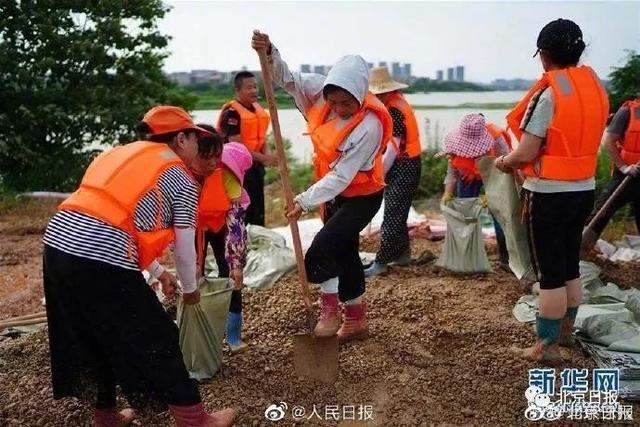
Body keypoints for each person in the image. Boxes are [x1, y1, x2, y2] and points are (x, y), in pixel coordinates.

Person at [42, 106, 236, 426]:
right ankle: (195, 419)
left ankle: (105, 415)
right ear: (182, 138)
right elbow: (186, 250)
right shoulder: (180, 176)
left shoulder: (118, 154)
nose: (196, 148)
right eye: (193, 139)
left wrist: (160, 273)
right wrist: (190, 291)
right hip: (100, 256)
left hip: (57, 244)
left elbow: (117, 218)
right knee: (159, 335)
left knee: (89, 334)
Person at [252, 30, 391, 341]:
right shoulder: (320, 92)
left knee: (321, 252)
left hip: (362, 195)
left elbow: (342, 176)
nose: (339, 108)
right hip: (335, 192)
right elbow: (287, 79)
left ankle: (329, 306)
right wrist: (270, 53)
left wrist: (303, 200)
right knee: (345, 250)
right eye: (334, 102)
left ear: (360, 95)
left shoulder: (369, 125)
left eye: (347, 103)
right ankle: (355, 317)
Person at [496, 19, 609, 362]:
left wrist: (505, 162)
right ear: (578, 51)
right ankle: (566, 334)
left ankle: (546, 347)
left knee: (549, 274)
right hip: (584, 190)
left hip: (547, 194)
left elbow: (528, 151)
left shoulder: (550, 93)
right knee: (569, 264)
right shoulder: (596, 89)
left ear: (544, 56)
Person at [195, 124, 252, 353]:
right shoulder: (183, 174)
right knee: (193, 274)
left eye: (216, 157)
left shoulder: (227, 172)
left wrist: (235, 263)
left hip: (223, 222)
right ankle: (201, 332)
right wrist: (194, 265)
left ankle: (233, 335)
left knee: (231, 275)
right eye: (205, 157)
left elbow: (235, 220)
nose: (211, 163)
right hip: (195, 224)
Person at [364, 67, 422, 277]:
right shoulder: (394, 103)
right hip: (405, 164)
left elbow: (392, 149)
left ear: (386, 91)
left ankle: (381, 262)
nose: (376, 96)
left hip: (404, 166)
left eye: (379, 92)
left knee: (392, 214)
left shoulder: (394, 110)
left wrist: (377, 176)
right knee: (399, 212)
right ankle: (403, 254)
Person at [440, 113, 512, 269]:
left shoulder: (497, 140)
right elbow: (452, 172)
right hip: (467, 177)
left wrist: (492, 195)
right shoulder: (455, 144)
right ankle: (467, 257)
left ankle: (507, 259)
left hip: (495, 174)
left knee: (499, 215)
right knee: (464, 213)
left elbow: (508, 170)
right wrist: (448, 193)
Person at [217, 71, 277, 226]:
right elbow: (236, 147)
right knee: (244, 210)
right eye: (249, 87)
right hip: (236, 170)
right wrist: (265, 158)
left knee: (258, 207)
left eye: (256, 86)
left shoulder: (258, 110)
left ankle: (258, 237)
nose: (254, 91)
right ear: (238, 90)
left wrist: (269, 156)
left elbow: (262, 139)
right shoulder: (232, 113)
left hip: (255, 166)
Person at [581, 97, 640, 254]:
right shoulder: (627, 112)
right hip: (625, 176)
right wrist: (623, 166)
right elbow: (608, 141)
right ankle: (580, 253)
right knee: (601, 213)